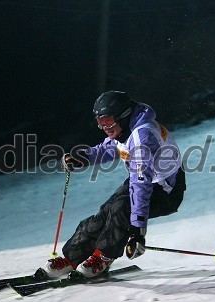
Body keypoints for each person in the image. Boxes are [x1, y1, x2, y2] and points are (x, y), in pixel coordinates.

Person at [43, 91, 186, 278]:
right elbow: (108, 149)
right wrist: (82, 158)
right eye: (100, 123)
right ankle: (72, 257)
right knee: (105, 212)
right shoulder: (124, 130)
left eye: (108, 121)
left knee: (121, 209)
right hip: (144, 180)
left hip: (167, 189)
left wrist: (137, 231)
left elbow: (141, 184)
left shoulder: (142, 137)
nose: (105, 128)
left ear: (123, 116)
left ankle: (103, 257)